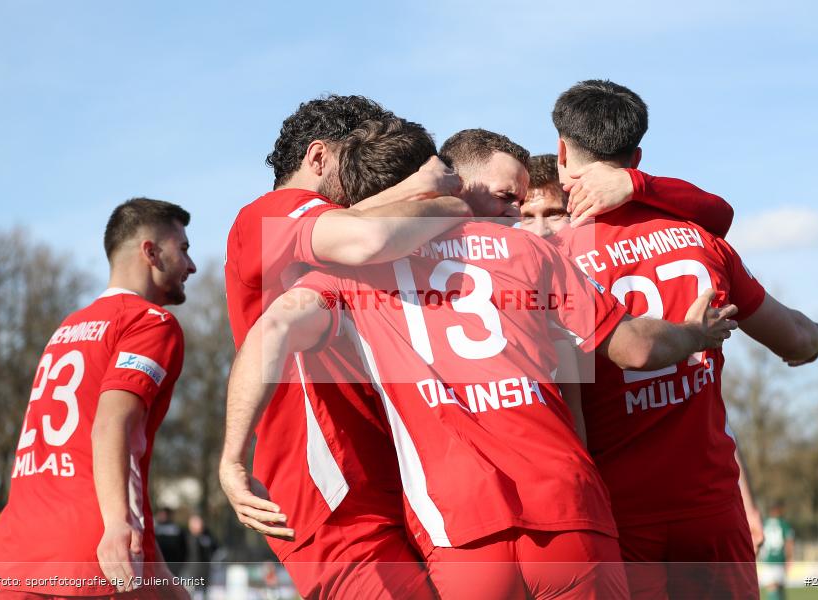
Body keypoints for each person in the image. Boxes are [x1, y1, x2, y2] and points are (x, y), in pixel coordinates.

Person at [225, 123, 739, 599]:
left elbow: (269, 332)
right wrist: (695, 332)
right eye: (507, 199)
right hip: (567, 510)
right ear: (439, 181)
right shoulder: (530, 252)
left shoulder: (350, 275)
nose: (516, 213)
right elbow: (636, 348)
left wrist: (233, 457)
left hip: (460, 530)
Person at [551, 79, 818, 599]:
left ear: (562, 153)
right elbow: (795, 339)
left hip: (617, 508)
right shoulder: (701, 240)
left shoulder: (553, 260)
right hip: (711, 508)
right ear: (636, 156)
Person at [219, 95, 471, 600]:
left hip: (379, 480)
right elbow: (364, 239)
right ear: (317, 158)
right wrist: (441, 196)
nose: (366, 177)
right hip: (331, 491)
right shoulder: (273, 211)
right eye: (351, 158)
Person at [0, 198, 196, 599]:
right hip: (87, 562)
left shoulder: (67, 328)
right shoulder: (150, 322)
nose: (191, 265)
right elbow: (112, 423)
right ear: (150, 251)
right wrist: (116, 524)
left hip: (6, 562)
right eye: (182, 249)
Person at [760, 503, 794, 600]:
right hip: (779, 559)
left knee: (772, 588)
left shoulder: (764, 524)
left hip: (767, 560)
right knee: (779, 587)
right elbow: (789, 542)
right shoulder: (783, 524)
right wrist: (790, 557)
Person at [154, 507, 188, 578]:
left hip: (173, 565)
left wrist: (181, 562)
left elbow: (183, 547)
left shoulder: (177, 530)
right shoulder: (155, 528)